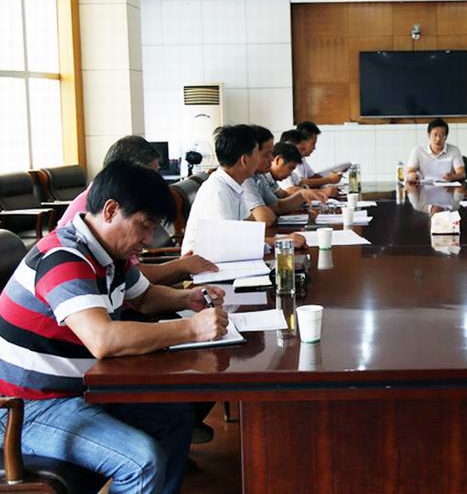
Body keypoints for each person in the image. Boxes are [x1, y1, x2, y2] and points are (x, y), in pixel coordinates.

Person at [0, 160, 229, 494]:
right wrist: (192, 330)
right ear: (110, 211)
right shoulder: (64, 257)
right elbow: (103, 339)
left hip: (78, 392)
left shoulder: (108, 254)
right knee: (141, 462)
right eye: (144, 226)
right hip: (27, 407)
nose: (148, 240)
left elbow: (144, 298)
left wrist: (187, 298)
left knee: (174, 417)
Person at [57, 135, 217, 284]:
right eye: (152, 174)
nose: (156, 181)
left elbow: (134, 286)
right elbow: (136, 279)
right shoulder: (93, 216)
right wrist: (182, 266)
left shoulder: (117, 209)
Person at [181, 125, 305, 255]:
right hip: (206, 263)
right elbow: (228, 244)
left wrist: (278, 240)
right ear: (244, 160)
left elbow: (244, 228)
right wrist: (277, 241)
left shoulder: (233, 184)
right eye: (258, 153)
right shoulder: (217, 191)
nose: (267, 159)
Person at [244, 126, 327, 225]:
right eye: (267, 154)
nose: (272, 159)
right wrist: (266, 211)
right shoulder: (246, 179)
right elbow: (266, 218)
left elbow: (277, 206)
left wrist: (302, 195)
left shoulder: (259, 176)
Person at [279, 122, 342, 193]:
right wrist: (326, 185)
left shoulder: (296, 163)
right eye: (302, 149)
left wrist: (330, 179)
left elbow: (301, 183)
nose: (314, 148)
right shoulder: (286, 165)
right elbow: (292, 190)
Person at [405, 118, 465, 184]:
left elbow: (462, 174)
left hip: (447, 187)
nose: (438, 139)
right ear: (428, 135)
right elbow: (409, 172)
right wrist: (412, 175)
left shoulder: (454, 150)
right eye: (435, 135)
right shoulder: (418, 150)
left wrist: (453, 177)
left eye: (442, 135)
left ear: (446, 137)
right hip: (424, 187)